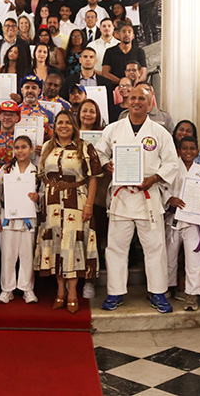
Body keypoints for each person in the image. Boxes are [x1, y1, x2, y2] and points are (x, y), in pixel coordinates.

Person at [96, 84, 179, 313]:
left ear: (150, 102)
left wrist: (155, 178)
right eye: (132, 98)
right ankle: (114, 293)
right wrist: (106, 163)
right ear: (126, 101)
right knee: (116, 247)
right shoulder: (112, 129)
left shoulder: (160, 132)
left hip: (148, 196)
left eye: (142, 98)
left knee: (155, 247)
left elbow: (172, 162)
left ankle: (158, 292)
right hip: (121, 196)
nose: (136, 102)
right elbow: (100, 152)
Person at [34, 110, 101, 314]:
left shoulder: (85, 147)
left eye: (68, 123)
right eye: (59, 122)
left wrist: (89, 204)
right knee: (55, 244)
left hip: (75, 202)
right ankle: (60, 291)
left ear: (74, 126)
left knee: (71, 245)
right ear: (54, 126)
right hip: (51, 204)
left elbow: (93, 178)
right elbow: (40, 175)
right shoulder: (47, 147)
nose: (63, 126)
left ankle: (72, 293)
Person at [0, 136, 40, 304]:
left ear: (31, 149)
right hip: (7, 219)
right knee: (8, 255)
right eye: (17, 147)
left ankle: (27, 289)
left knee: (26, 255)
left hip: (28, 218)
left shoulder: (36, 171)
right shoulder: (5, 170)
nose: (20, 150)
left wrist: (37, 197)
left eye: (24, 147)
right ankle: (7, 289)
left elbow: (44, 194)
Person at [164, 136, 200, 311]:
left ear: (198, 151)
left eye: (192, 148)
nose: (188, 151)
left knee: (194, 257)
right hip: (174, 217)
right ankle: (167, 287)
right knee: (169, 254)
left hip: (193, 220)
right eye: (185, 148)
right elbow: (163, 188)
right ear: (178, 150)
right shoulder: (172, 168)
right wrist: (170, 199)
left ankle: (192, 294)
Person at [77, 98, 106, 300]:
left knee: (93, 239)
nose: (88, 115)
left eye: (92, 111)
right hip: (73, 195)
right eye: (84, 111)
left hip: (97, 195)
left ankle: (89, 280)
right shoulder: (69, 134)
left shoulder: (104, 136)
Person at [18, 74, 55, 140]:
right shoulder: (15, 112)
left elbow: (52, 139)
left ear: (39, 91)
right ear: (22, 90)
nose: (30, 91)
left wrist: (43, 147)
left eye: (34, 88)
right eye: (27, 87)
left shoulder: (49, 114)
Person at [0, 100, 21, 166]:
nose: (7, 117)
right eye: (4, 114)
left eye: (11, 115)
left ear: (17, 118)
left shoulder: (22, 140)